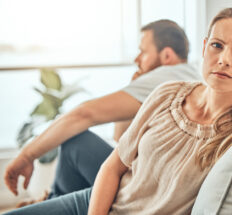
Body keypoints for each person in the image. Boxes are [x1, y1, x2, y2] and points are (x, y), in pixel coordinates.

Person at [4, 6, 232, 215]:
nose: (224, 59)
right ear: (204, 48)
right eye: (217, 46)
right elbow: (114, 166)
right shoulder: (167, 93)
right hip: (97, 200)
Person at [4, 19, 201, 204]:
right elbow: (120, 139)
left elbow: (84, 114)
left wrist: (27, 155)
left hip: (145, 190)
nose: (137, 59)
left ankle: (53, 201)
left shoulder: (166, 76)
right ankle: (55, 200)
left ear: (166, 55)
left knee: (76, 141)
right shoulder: (192, 75)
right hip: (161, 186)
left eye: (143, 52)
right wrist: (135, 86)